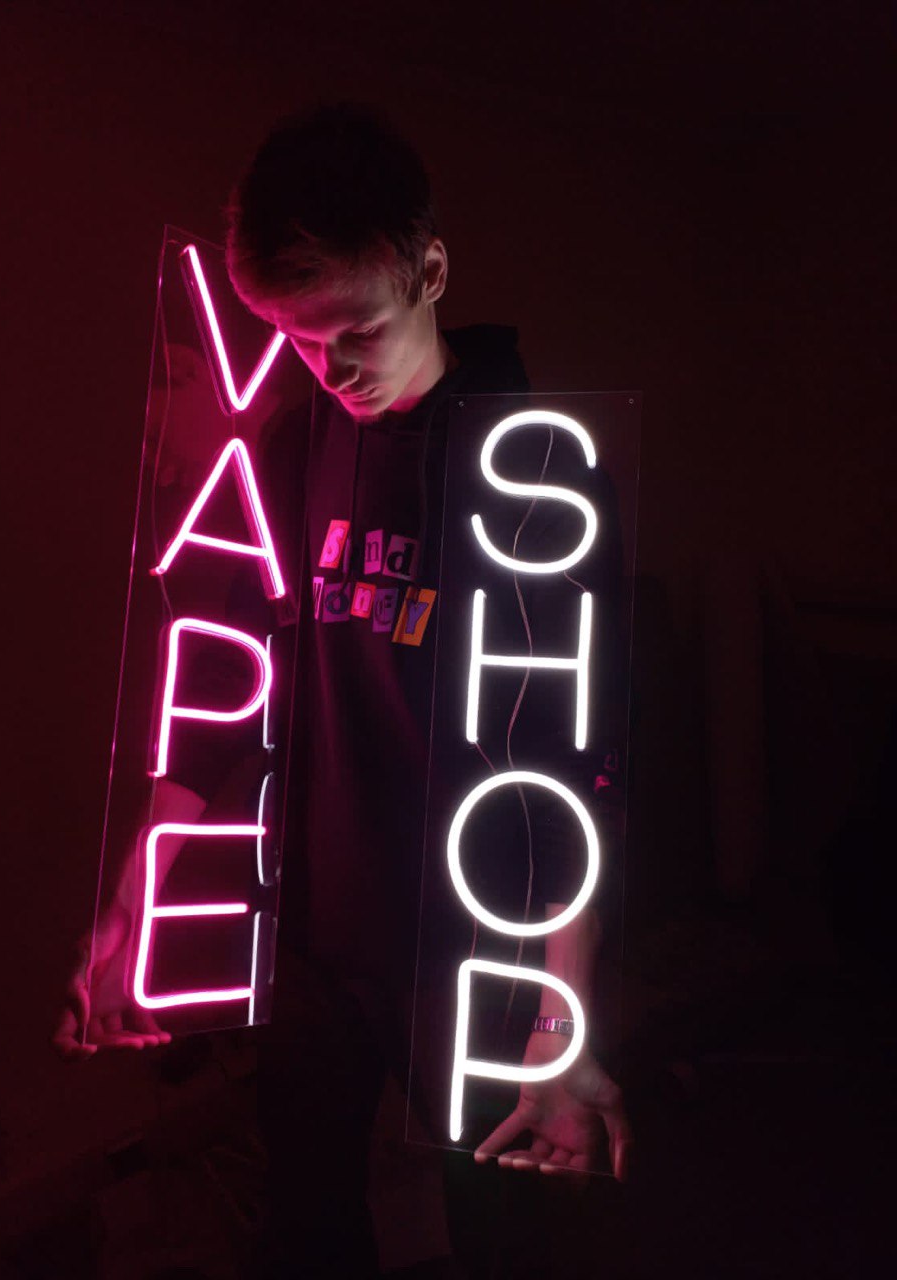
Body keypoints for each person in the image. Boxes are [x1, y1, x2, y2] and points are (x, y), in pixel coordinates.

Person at [57, 102, 630, 1277]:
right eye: (296, 338)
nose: (333, 368)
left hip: (476, 944)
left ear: (431, 271)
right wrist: (128, 909)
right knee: (307, 1225)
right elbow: (224, 687)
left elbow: (575, 768)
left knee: (508, 1231)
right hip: (318, 930)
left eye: (356, 329)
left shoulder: (536, 474)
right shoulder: (292, 445)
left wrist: (560, 1021)